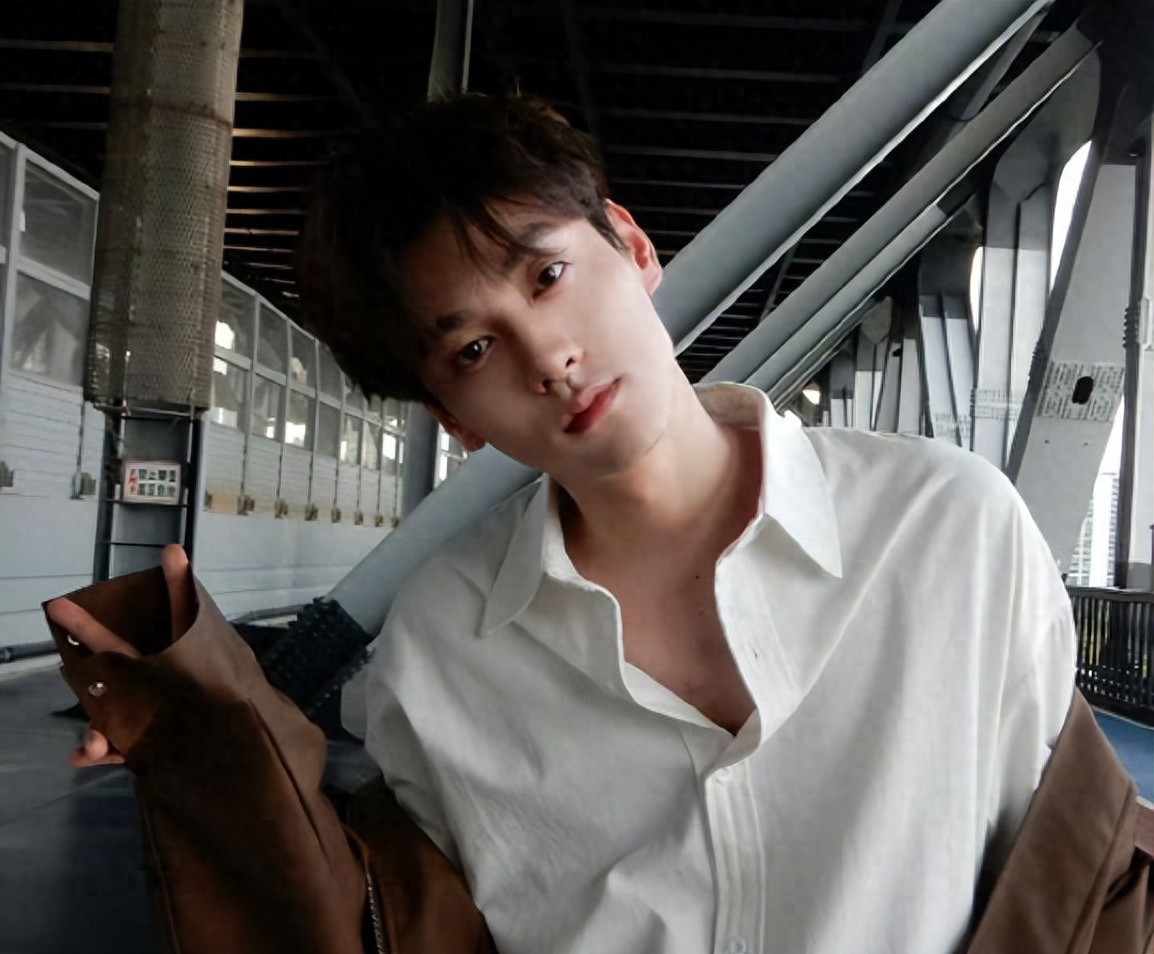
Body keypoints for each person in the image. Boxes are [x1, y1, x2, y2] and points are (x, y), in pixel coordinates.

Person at [53, 93, 1081, 953]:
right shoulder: (442, 649)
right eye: (472, 351)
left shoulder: (949, 530)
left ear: (631, 244)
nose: (547, 357)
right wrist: (210, 758)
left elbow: (1069, 877)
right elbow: (399, 920)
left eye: (547, 276)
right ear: (455, 420)